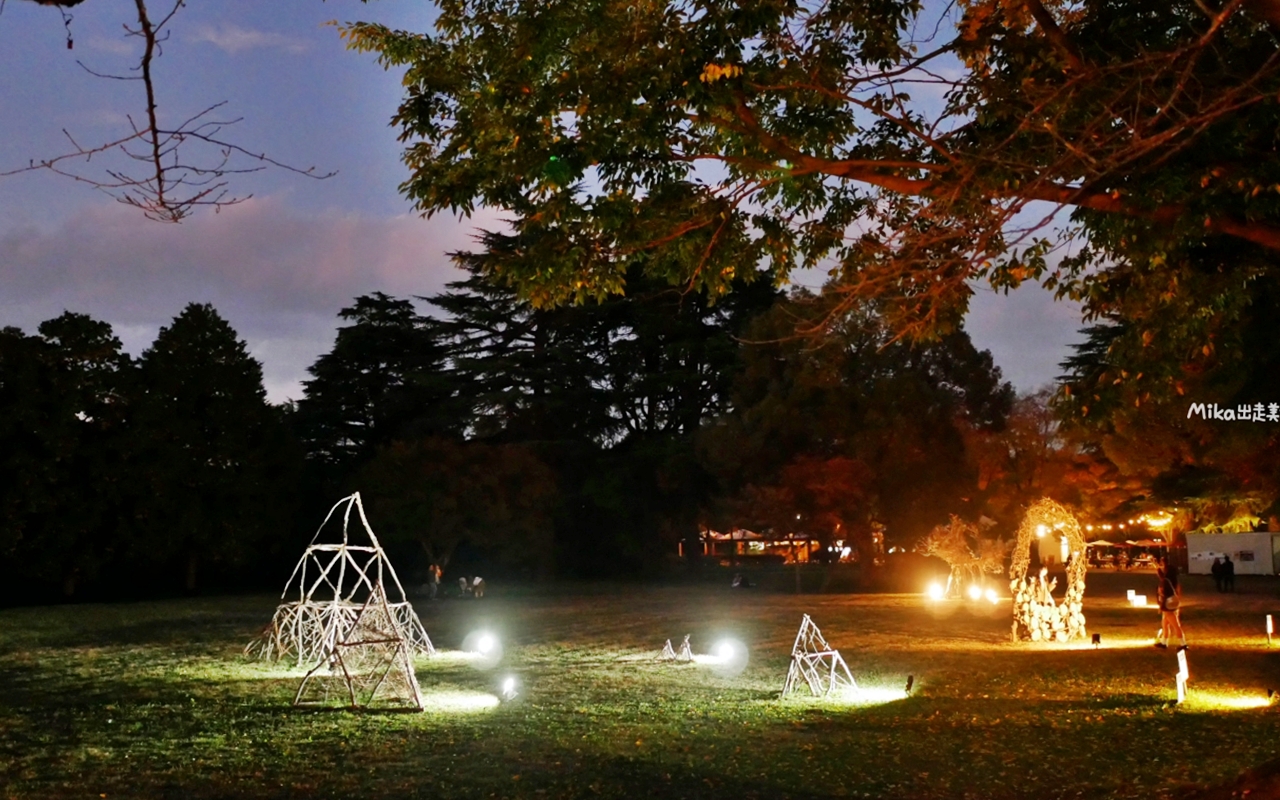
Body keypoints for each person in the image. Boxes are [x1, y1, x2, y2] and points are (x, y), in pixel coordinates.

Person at [1155, 557, 1186, 650]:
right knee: (1164, 624)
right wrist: (1157, 568)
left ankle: (1183, 644)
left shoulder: (1166, 582)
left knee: (1176, 625)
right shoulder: (1173, 580)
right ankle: (1164, 642)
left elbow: (1165, 594)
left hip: (1168, 605)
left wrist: (1161, 605)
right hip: (1171, 603)